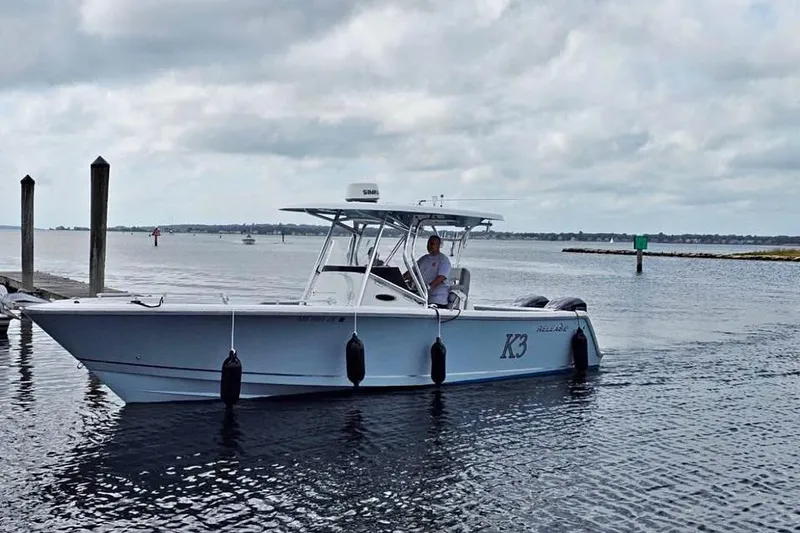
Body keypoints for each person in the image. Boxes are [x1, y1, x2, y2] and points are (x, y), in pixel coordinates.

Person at [404, 235, 451, 306]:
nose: (429, 246)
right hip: (421, 297)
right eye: (428, 244)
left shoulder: (443, 260)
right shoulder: (423, 259)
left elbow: (441, 277)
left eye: (432, 244)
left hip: (437, 300)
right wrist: (401, 278)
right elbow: (411, 272)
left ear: (438, 245)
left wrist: (427, 287)